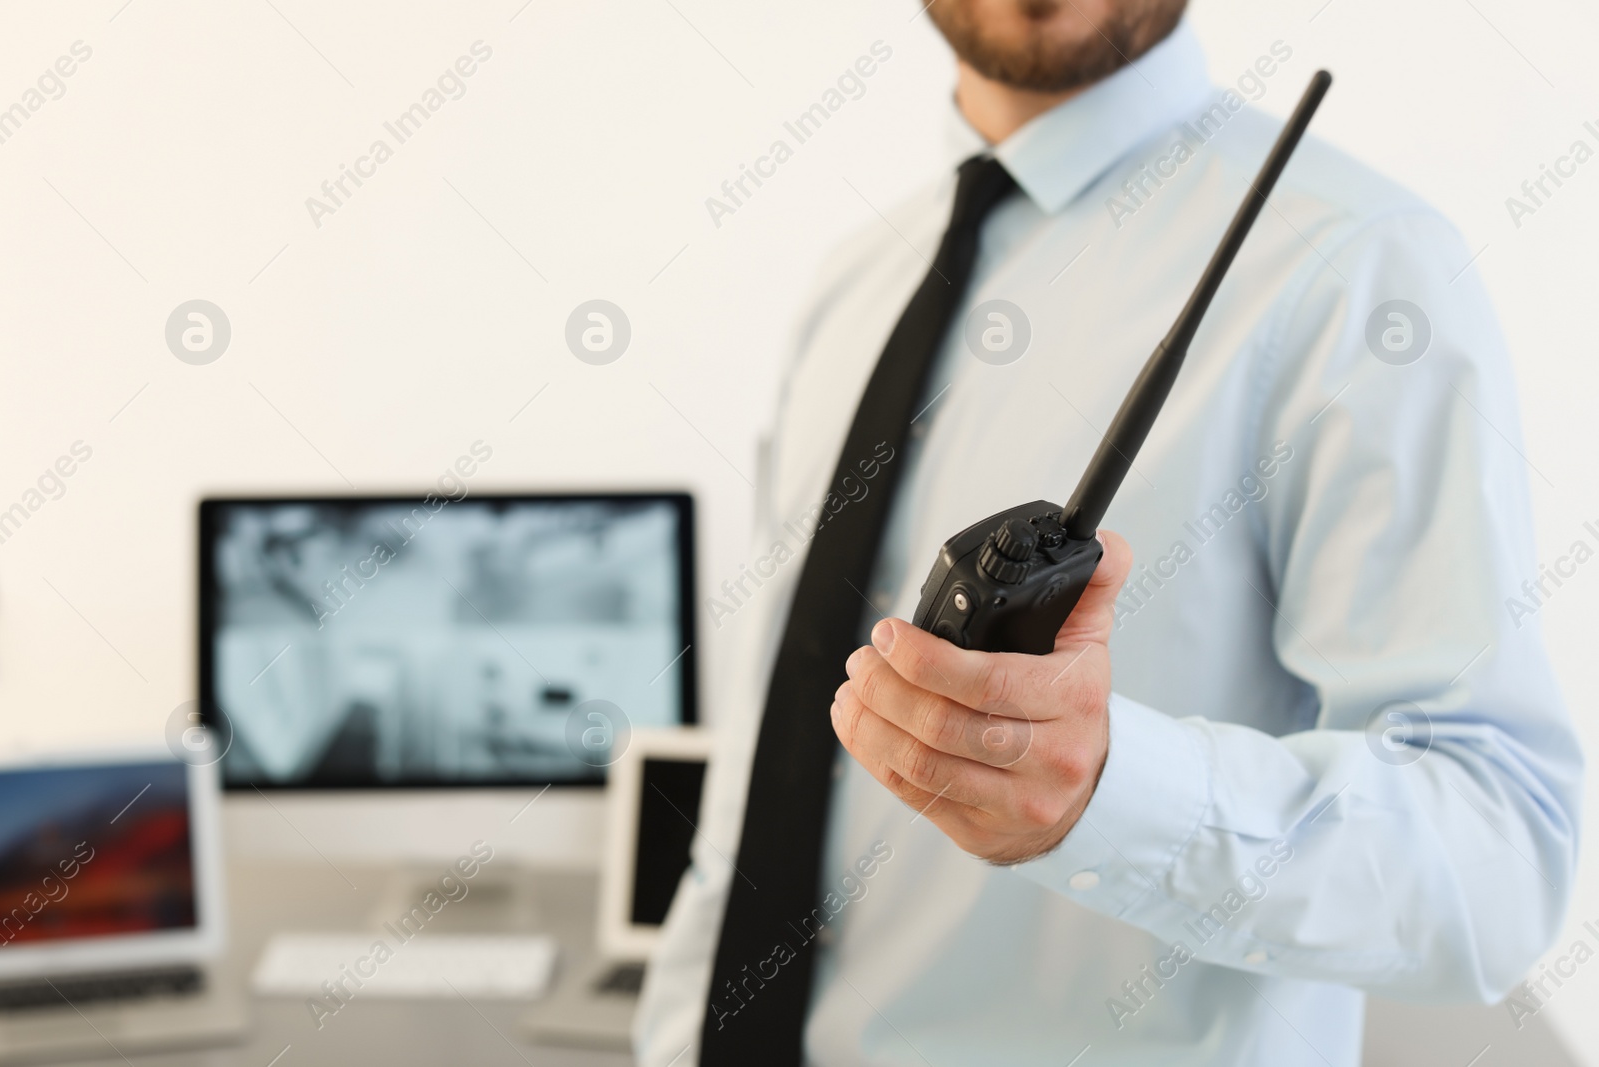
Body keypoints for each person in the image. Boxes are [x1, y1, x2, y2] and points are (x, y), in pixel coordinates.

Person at [636, 1, 1583, 1064]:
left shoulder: (1357, 267)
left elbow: (1500, 861)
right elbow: (768, 754)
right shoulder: (851, 277)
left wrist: (1110, 796)